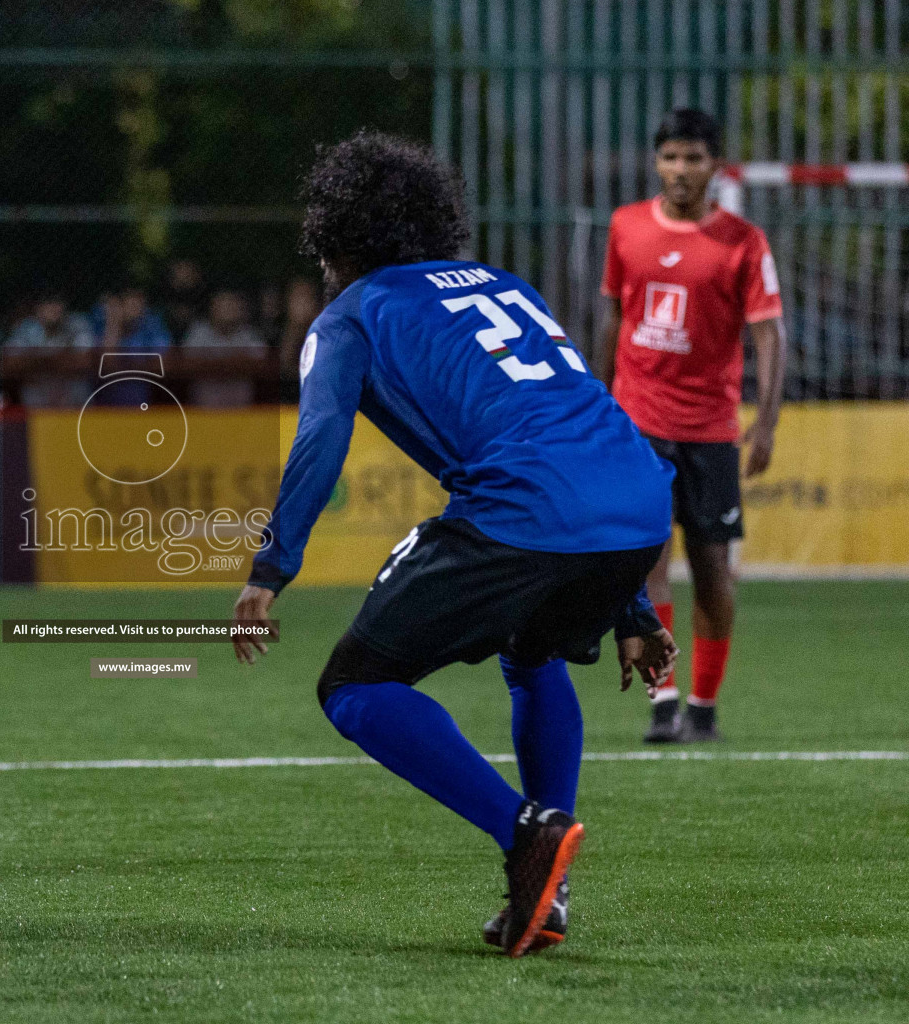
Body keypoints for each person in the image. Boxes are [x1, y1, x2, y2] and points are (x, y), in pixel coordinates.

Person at [230, 132, 678, 958]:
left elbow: (318, 445)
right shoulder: (511, 289)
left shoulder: (352, 314)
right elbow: (574, 426)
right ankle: (547, 890)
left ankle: (525, 836)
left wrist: (271, 569)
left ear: (335, 238)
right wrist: (633, 602)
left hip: (528, 507)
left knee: (355, 685)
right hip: (641, 501)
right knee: (533, 652)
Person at [598, 108, 786, 744]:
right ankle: (663, 704)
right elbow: (614, 318)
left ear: (715, 167)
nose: (681, 169)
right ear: (657, 162)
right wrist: (600, 406)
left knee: (712, 572)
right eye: (671, 157)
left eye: (694, 158)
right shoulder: (625, 227)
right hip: (638, 422)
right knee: (647, 563)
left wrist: (763, 426)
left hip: (709, 428)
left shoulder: (743, 241)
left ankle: (703, 708)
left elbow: (770, 335)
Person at [5, 287, 96, 408]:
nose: (53, 308)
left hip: (75, 408)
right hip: (38, 409)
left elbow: (85, 362)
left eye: (57, 303)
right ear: (38, 309)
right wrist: (62, 358)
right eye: (47, 303)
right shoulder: (27, 328)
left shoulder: (78, 324)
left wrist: (35, 359)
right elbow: (10, 364)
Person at [180, 287, 268, 406]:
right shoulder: (199, 332)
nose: (227, 309)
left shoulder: (249, 334)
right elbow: (186, 361)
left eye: (231, 304)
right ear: (212, 307)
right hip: (203, 411)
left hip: (242, 412)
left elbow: (262, 360)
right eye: (223, 303)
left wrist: (215, 360)